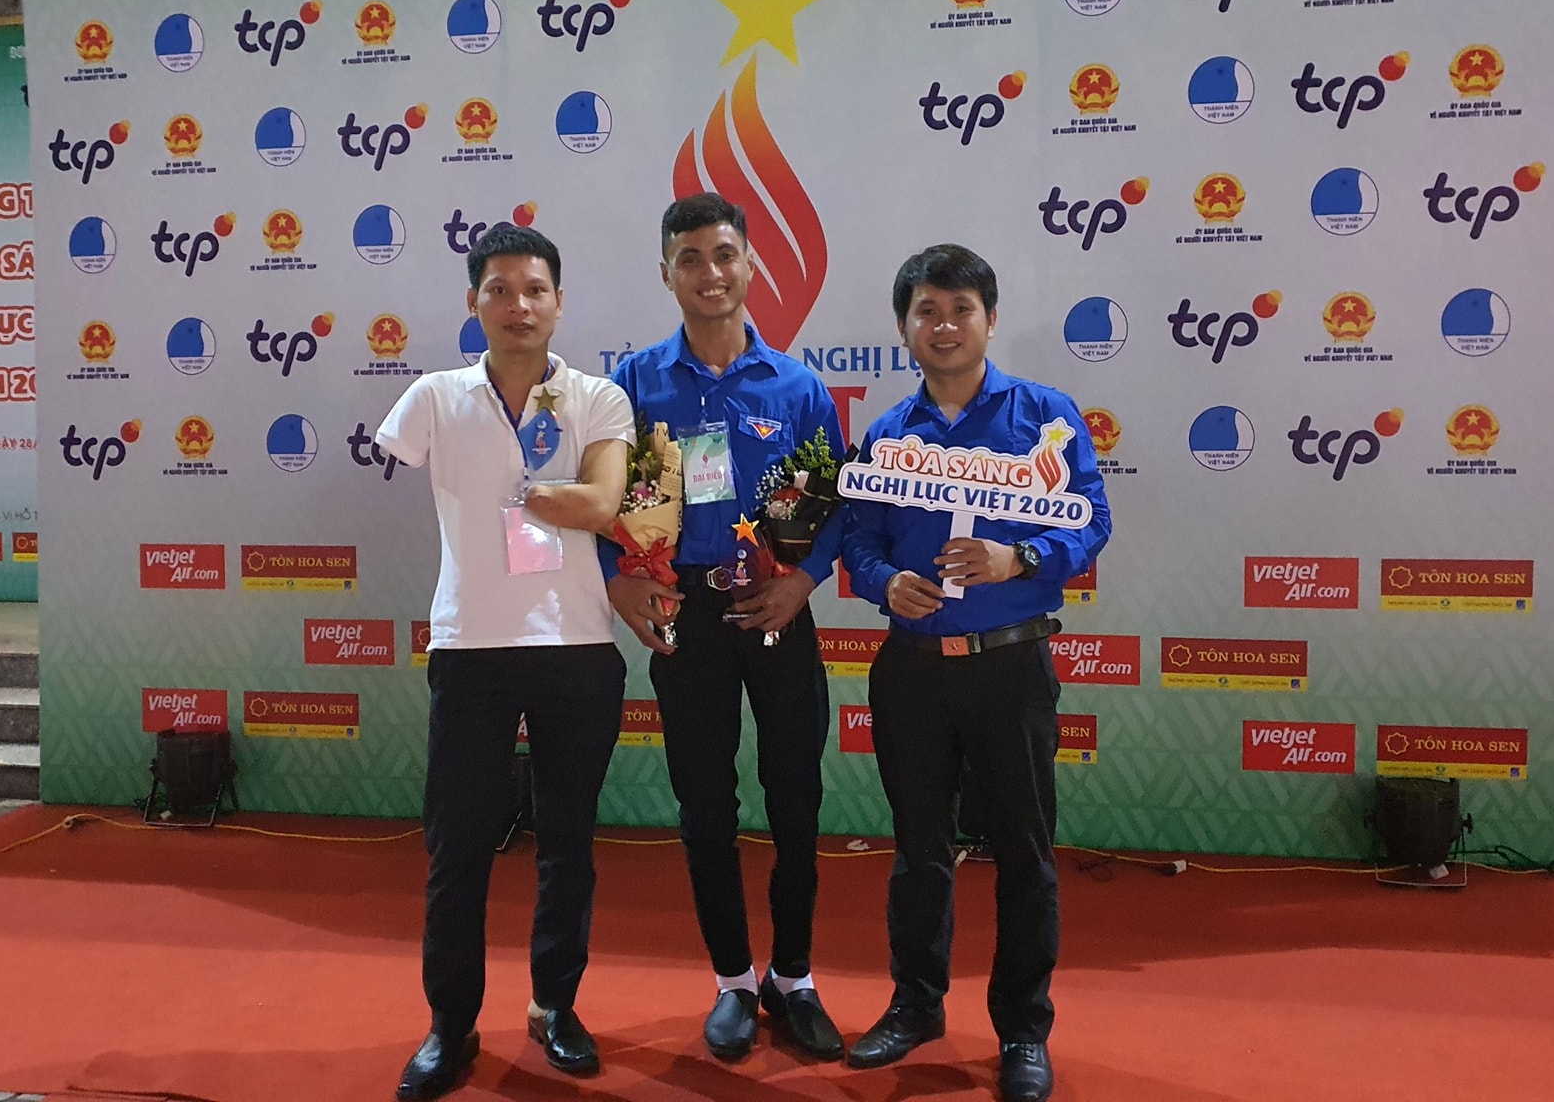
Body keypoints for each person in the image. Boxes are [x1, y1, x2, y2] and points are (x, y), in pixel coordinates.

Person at [839, 244, 1111, 1102]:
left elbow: (1091, 521)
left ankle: (1023, 1030)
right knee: (920, 850)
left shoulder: (1046, 418)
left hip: (1010, 667)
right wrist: (885, 582)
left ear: (990, 319)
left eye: (961, 308)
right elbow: (858, 539)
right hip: (913, 672)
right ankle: (916, 1004)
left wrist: (1016, 556)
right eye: (927, 310)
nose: (944, 325)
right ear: (904, 328)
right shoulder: (890, 435)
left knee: (1024, 852)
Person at [375, 225, 634, 1099]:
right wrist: (563, 498)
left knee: (568, 844)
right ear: (473, 302)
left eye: (534, 289)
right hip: (471, 646)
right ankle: (450, 1027)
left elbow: (606, 504)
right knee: (457, 848)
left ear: (558, 301)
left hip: (576, 645)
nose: (518, 305)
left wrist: (546, 496)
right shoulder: (432, 398)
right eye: (499, 289)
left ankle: (555, 1007)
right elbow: (586, 501)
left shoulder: (596, 397)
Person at [599, 193, 847, 1061]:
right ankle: (735, 981)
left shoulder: (798, 387)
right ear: (667, 273)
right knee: (705, 803)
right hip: (687, 616)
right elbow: (604, 498)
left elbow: (834, 505)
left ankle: (795, 977)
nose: (711, 273)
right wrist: (618, 580)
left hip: (776, 610)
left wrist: (805, 581)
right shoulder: (634, 385)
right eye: (691, 259)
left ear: (749, 265)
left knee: (796, 797)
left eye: (725, 255)